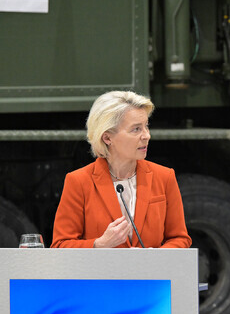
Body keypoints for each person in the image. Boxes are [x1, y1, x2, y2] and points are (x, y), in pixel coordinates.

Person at [52, 91, 191, 248]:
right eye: (136, 129)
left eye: (146, 126)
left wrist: (156, 257)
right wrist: (99, 244)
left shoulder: (164, 177)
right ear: (107, 138)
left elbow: (179, 238)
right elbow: (60, 245)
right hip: (102, 265)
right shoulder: (79, 181)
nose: (147, 136)